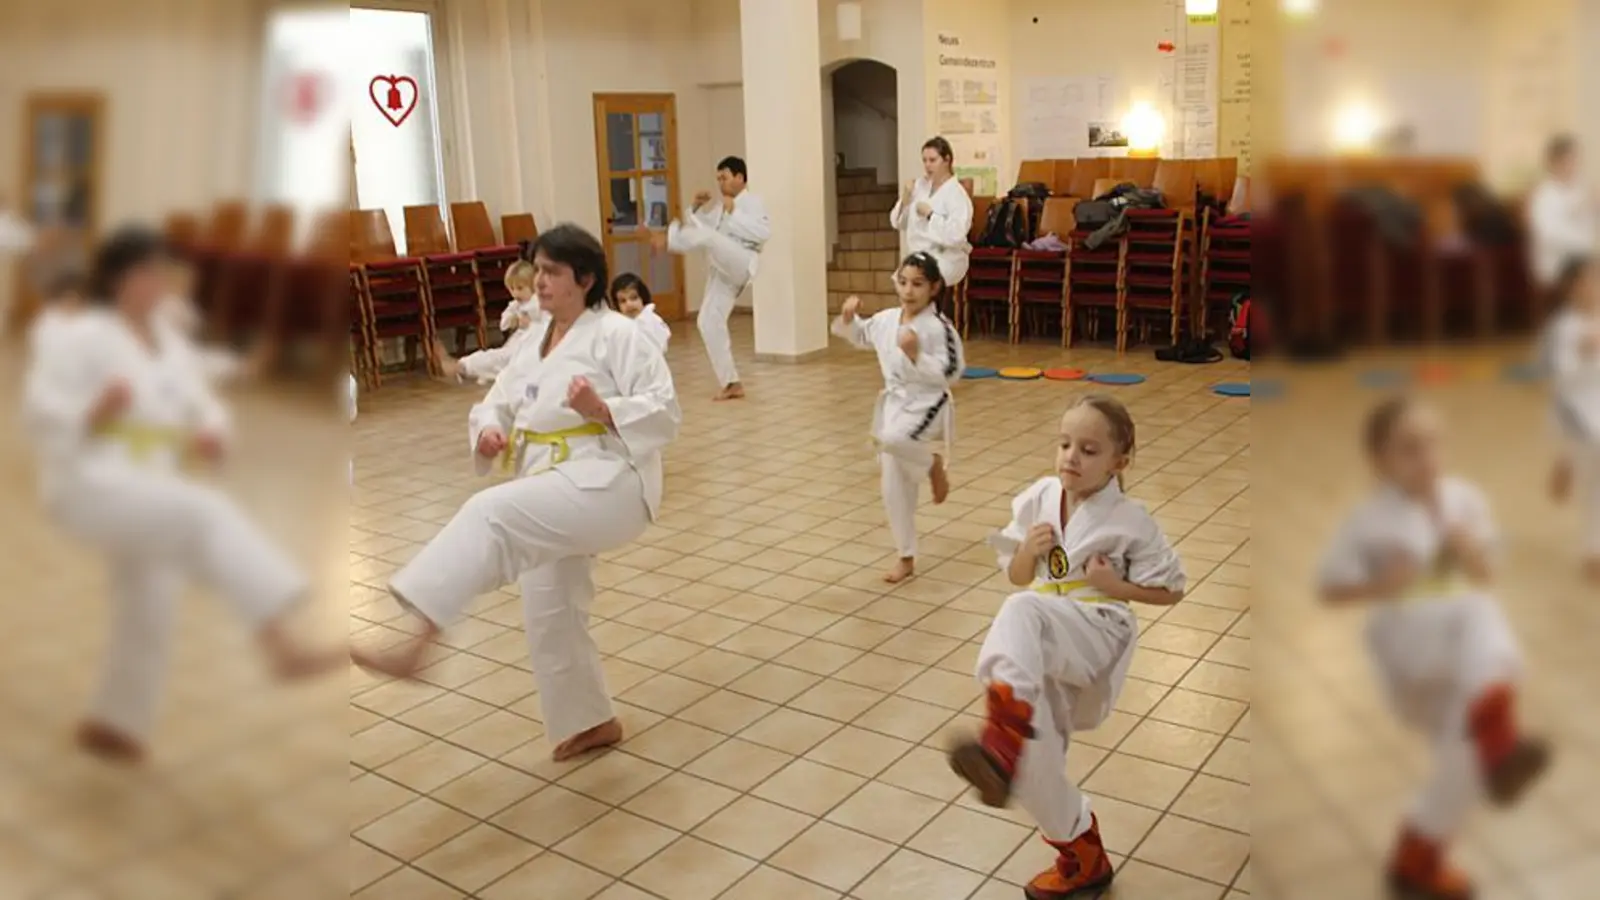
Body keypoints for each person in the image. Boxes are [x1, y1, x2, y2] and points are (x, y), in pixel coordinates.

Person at [21, 226, 348, 764]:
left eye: (162, 273)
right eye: (148, 272)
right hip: (88, 480)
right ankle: (282, 645)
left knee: (152, 591)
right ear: (119, 279)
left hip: (148, 483)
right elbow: (38, 408)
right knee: (205, 513)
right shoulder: (85, 337)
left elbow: (204, 404)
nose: (159, 284)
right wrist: (91, 410)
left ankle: (116, 722)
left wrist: (213, 431)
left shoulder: (167, 341)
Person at [355, 224, 681, 762]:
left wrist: (601, 409)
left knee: (490, 514)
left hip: (610, 481)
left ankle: (417, 643)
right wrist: (487, 432)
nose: (541, 281)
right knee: (549, 603)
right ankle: (590, 721)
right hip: (550, 481)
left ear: (585, 279)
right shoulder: (533, 341)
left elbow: (666, 412)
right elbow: (496, 401)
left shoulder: (619, 336)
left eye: (553, 272)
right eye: (539, 269)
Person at [947, 395, 1185, 900]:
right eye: (1064, 443)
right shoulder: (1038, 497)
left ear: (1118, 463)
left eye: (1089, 449)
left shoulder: (1130, 518)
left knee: (1021, 612)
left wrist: (1117, 587)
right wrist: (1028, 555)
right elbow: (1016, 577)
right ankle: (1083, 857)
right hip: (1043, 643)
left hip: (1098, 628)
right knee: (1034, 762)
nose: (1071, 457)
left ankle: (1002, 732)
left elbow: (1173, 588)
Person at [1317, 397, 1550, 900]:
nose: (1426, 459)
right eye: (1409, 449)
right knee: (1477, 615)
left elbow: (1487, 573)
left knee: (1462, 757)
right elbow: (1329, 587)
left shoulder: (1463, 500)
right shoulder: (1370, 519)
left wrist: (1469, 551)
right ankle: (1499, 735)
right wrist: (1381, 583)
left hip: (1462, 660)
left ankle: (1416, 857)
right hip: (1408, 649)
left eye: (1433, 445)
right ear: (1380, 459)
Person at [830, 251, 964, 584]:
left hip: (928, 403)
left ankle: (933, 463)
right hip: (895, 404)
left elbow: (952, 372)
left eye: (917, 284)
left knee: (892, 440)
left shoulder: (938, 327)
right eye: (903, 282)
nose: (908, 290)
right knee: (893, 483)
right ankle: (905, 555)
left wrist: (916, 354)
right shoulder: (889, 319)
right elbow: (862, 334)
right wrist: (849, 319)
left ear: (933, 288)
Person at [651, 155, 769, 401]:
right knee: (707, 321)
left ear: (739, 177)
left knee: (709, 238)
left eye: (724, 177)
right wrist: (694, 208)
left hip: (742, 260)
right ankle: (731, 382)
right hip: (722, 271)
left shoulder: (752, 203)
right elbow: (702, 228)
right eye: (717, 179)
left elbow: (761, 234)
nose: (720, 183)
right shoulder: (720, 207)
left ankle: (669, 240)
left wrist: (734, 212)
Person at [1543, 258, 1600, 581]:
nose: (1593, 288)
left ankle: (1567, 461)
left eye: (1597, 279)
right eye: (1586, 281)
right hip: (1577, 410)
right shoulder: (1563, 328)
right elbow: (1560, 378)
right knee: (1595, 482)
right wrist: (1582, 352)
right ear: (1570, 288)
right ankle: (1594, 551)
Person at [433, 258, 543, 385]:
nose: (515, 293)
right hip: (520, 341)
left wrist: (532, 323)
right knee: (497, 356)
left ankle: (463, 368)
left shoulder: (539, 302)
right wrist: (513, 320)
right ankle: (462, 366)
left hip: (534, 342)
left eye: (520, 288)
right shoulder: (515, 305)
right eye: (512, 289)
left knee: (506, 360)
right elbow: (504, 323)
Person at [890, 137, 975, 288]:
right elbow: (897, 223)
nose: (927, 165)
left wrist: (931, 216)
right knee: (902, 280)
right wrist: (905, 199)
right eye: (924, 160)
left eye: (932, 160)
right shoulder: (919, 187)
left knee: (917, 281)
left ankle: (927, 309)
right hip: (919, 254)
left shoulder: (957, 194)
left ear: (947, 160)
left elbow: (956, 235)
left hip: (947, 257)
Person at [1529, 136, 1597, 297]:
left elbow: (1590, 223)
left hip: (1583, 256)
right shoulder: (1544, 194)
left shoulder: (1581, 189)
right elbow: (1549, 234)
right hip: (1558, 262)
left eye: (1575, 160)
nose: (1573, 165)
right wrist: (1588, 243)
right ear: (1554, 162)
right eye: (1569, 160)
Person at [608, 272, 671, 355]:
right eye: (623, 301)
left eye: (634, 298)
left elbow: (663, 341)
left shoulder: (652, 319)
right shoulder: (618, 324)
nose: (629, 304)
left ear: (643, 298)